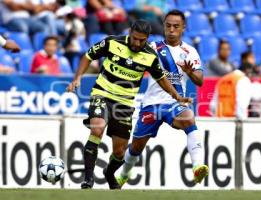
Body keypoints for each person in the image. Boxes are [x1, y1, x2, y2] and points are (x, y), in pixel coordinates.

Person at [66, 20, 191, 189]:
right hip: (102, 93)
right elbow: (88, 55)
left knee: (119, 152)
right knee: (97, 128)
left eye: (142, 40)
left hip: (124, 104)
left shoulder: (150, 56)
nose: (138, 43)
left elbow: (161, 79)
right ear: (130, 33)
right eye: (135, 39)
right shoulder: (112, 42)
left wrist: (176, 96)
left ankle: (109, 173)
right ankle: (88, 179)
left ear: (147, 39)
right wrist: (77, 78)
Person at [116, 10, 209, 188]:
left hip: (175, 103)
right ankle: (123, 175)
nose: (171, 30)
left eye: (176, 26)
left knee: (189, 118)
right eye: (168, 26)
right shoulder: (151, 48)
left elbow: (200, 81)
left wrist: (189, 72)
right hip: (151, 104)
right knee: (136, 147)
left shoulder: (190, 51)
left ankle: (198, 166)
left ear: (183, 28)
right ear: (164, 26)